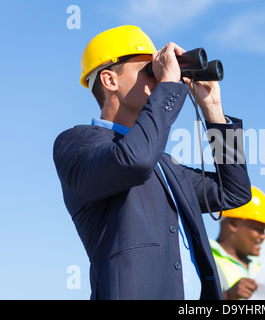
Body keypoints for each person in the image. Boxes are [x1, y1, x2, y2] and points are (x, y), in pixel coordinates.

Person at [53, 25, 252, 300]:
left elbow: (233, 192)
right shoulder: (76, 144)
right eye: (150, 71)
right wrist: (170, 85)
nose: (159, 80)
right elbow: (133, 161)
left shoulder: (165, 164)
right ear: (110, 80)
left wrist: (213, 111)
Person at [210, 186, 265, 300]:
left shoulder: (258, 266)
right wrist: (227, 297)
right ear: (233, 224)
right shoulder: (205, 260)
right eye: (259, 229)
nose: (264, 236)